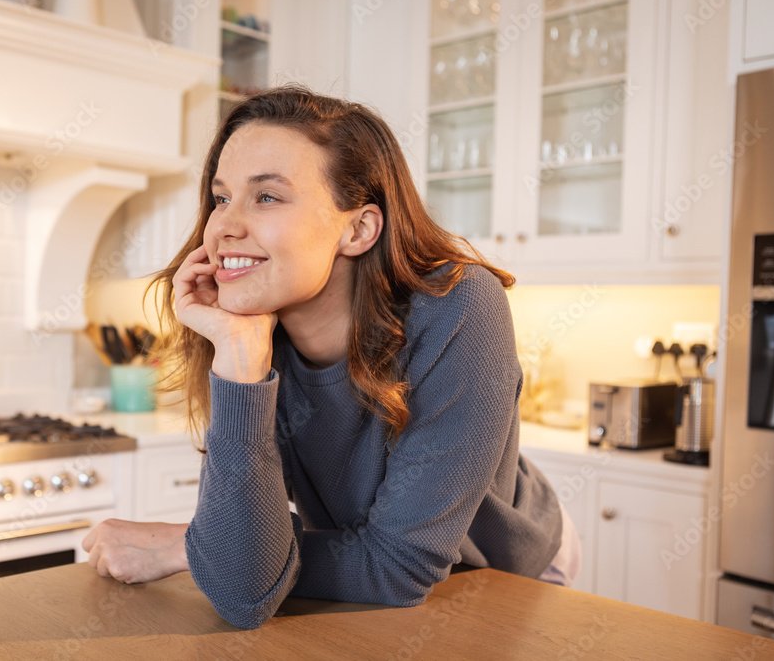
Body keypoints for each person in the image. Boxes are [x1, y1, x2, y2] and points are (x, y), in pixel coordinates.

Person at [82, 84, 581, 630]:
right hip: (365, 585)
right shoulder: (250, 335)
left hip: (503, 577)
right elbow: (244, 594)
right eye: (222, 197)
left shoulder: (458, 305)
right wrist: (240, 361)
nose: (224, 226)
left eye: (267, 196)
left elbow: (396, 567)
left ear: (359, 229)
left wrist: (187, 547)